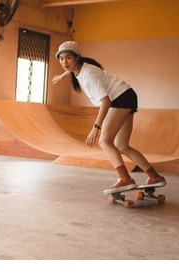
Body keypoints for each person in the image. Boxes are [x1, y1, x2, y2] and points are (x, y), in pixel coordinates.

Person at [52, 41, 166, 192]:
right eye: (61, 58)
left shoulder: (88, 75)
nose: (64, 62)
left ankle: (125, 180)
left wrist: (96, 127)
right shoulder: (78, 68)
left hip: (120, 98)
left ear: (77, 58)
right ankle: (155, 177)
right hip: (127, 94)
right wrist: (62, 76)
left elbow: (106, 101)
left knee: (105, 141)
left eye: (68, 58)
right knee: (122, 146)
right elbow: (70, 70)